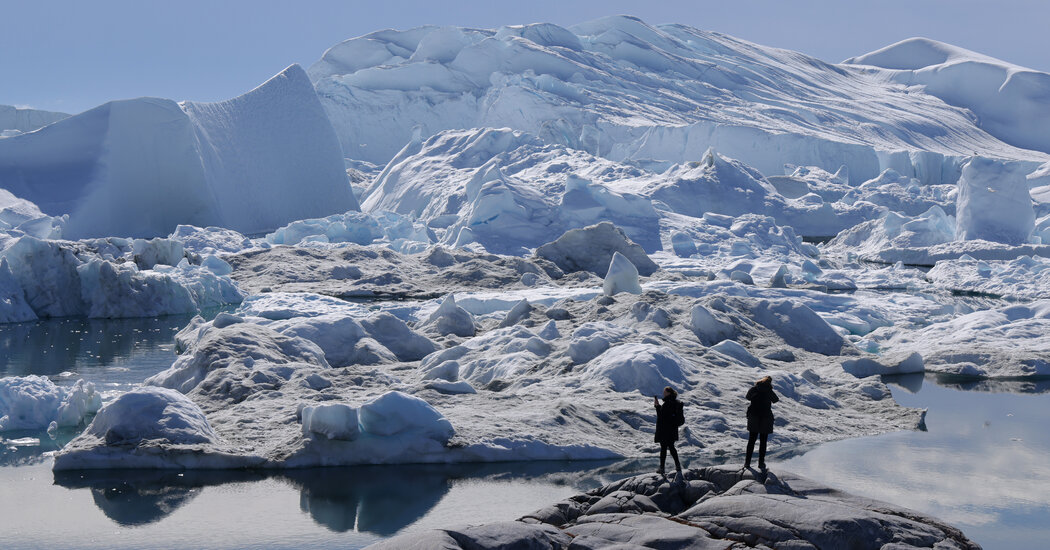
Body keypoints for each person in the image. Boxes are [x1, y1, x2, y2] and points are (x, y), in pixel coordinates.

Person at [745, 376, 779, 470]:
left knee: (751, 441)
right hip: (766, 417)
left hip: (753, 416)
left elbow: (747, 397)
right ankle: (761, 463)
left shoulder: (754, 389)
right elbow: (776, 400)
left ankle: (747, 463)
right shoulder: (769, 390)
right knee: (763, 442)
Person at [653, 386, 684, 476]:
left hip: (665, 430)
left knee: (663, 448)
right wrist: (659, 406)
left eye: (665, 392)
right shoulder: (675, 402)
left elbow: (661, 416)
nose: (663, 393)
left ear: (668, 393)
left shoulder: (667, 403)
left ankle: (662, 468)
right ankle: (678, 465)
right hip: (672, 430)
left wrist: (657, 407)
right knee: (671, 447)